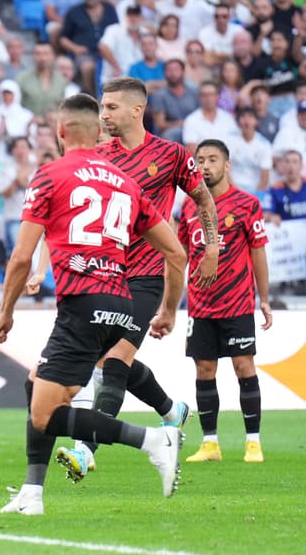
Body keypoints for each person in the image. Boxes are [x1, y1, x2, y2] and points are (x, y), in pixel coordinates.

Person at [0, 94, 187, 515]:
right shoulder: (125, 182)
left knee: (45, 414)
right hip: (121, 304)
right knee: (36, 384)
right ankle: (32, 493)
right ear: (98, 134)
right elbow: (177, 253)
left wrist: (5, 312)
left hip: (82, 303)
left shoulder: (50, 174)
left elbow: (22, 256)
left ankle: (154, 440)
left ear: (60, 132)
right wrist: (169, 308)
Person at [47, 77, 220, 482]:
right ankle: (171, 411)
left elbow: (202, 199)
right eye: (101, 108)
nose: (103, 115)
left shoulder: (171, 155)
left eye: (109, 108)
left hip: (144, 276)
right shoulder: (98, 155)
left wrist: (211, 248)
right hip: (103, 273)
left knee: (114, 362)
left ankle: (86, 452)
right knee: (108, 359)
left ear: (136, 110)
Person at [180, 139, 273, 464]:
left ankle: (253, 443)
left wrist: (264, 298)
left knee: (243, 366)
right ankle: (210, 444)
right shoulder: (189, 208)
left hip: (237, 304)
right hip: (200, 305)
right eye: (200, 160)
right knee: (204, 369)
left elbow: (258, 251)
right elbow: (179, 255)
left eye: (212, 159)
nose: (205, 166)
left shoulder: (247, 204)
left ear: (227, 165)